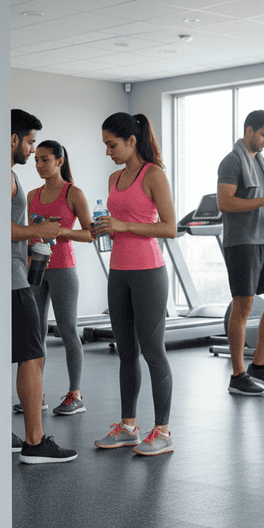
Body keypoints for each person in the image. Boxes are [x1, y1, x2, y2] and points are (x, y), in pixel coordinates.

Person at [92, 112, 177, 456]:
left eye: (112, 145)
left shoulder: (153, 175)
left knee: (153, 352)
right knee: (126, 352)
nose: (108, 151)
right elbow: (120, 221)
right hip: (119, 271)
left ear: (131, 141)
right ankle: (128, 427)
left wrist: (123, 226)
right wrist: (106, 228)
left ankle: (163, 431)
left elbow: (169, 227)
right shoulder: (113, 178)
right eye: (105, 145)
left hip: (148, 271)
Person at [10, 109, 77, 463]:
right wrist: (40, 231)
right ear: (13, 140)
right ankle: (35, 443)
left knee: (11, 355)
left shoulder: (6, 177)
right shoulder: (5, 176)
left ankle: (4, 433)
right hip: (12, 279)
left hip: (14, 273)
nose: (32, 152)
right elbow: (0, 227)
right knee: (32, 356)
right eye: (30, 142)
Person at [216, 110, 264, 396]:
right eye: (263, 135)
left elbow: (256, 204)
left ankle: (259, 366)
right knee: (244, 306)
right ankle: (238, 375)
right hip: (241, 243)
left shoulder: (260, 162)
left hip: (263, 240)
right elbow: (225, 203)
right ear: (249, 131)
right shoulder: (232, 161)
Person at [26, 140, 94, 415]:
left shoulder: (73, 193)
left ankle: (74, 395)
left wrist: (61, 231)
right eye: (37, 161)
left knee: (67, 329)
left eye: (45, 160)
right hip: (36, 269)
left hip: (63, 268)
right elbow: (27, 231)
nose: (40, 165)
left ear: (59, 161)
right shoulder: (31, 195)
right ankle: (35, 393)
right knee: (36, 331)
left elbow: (90, 234)